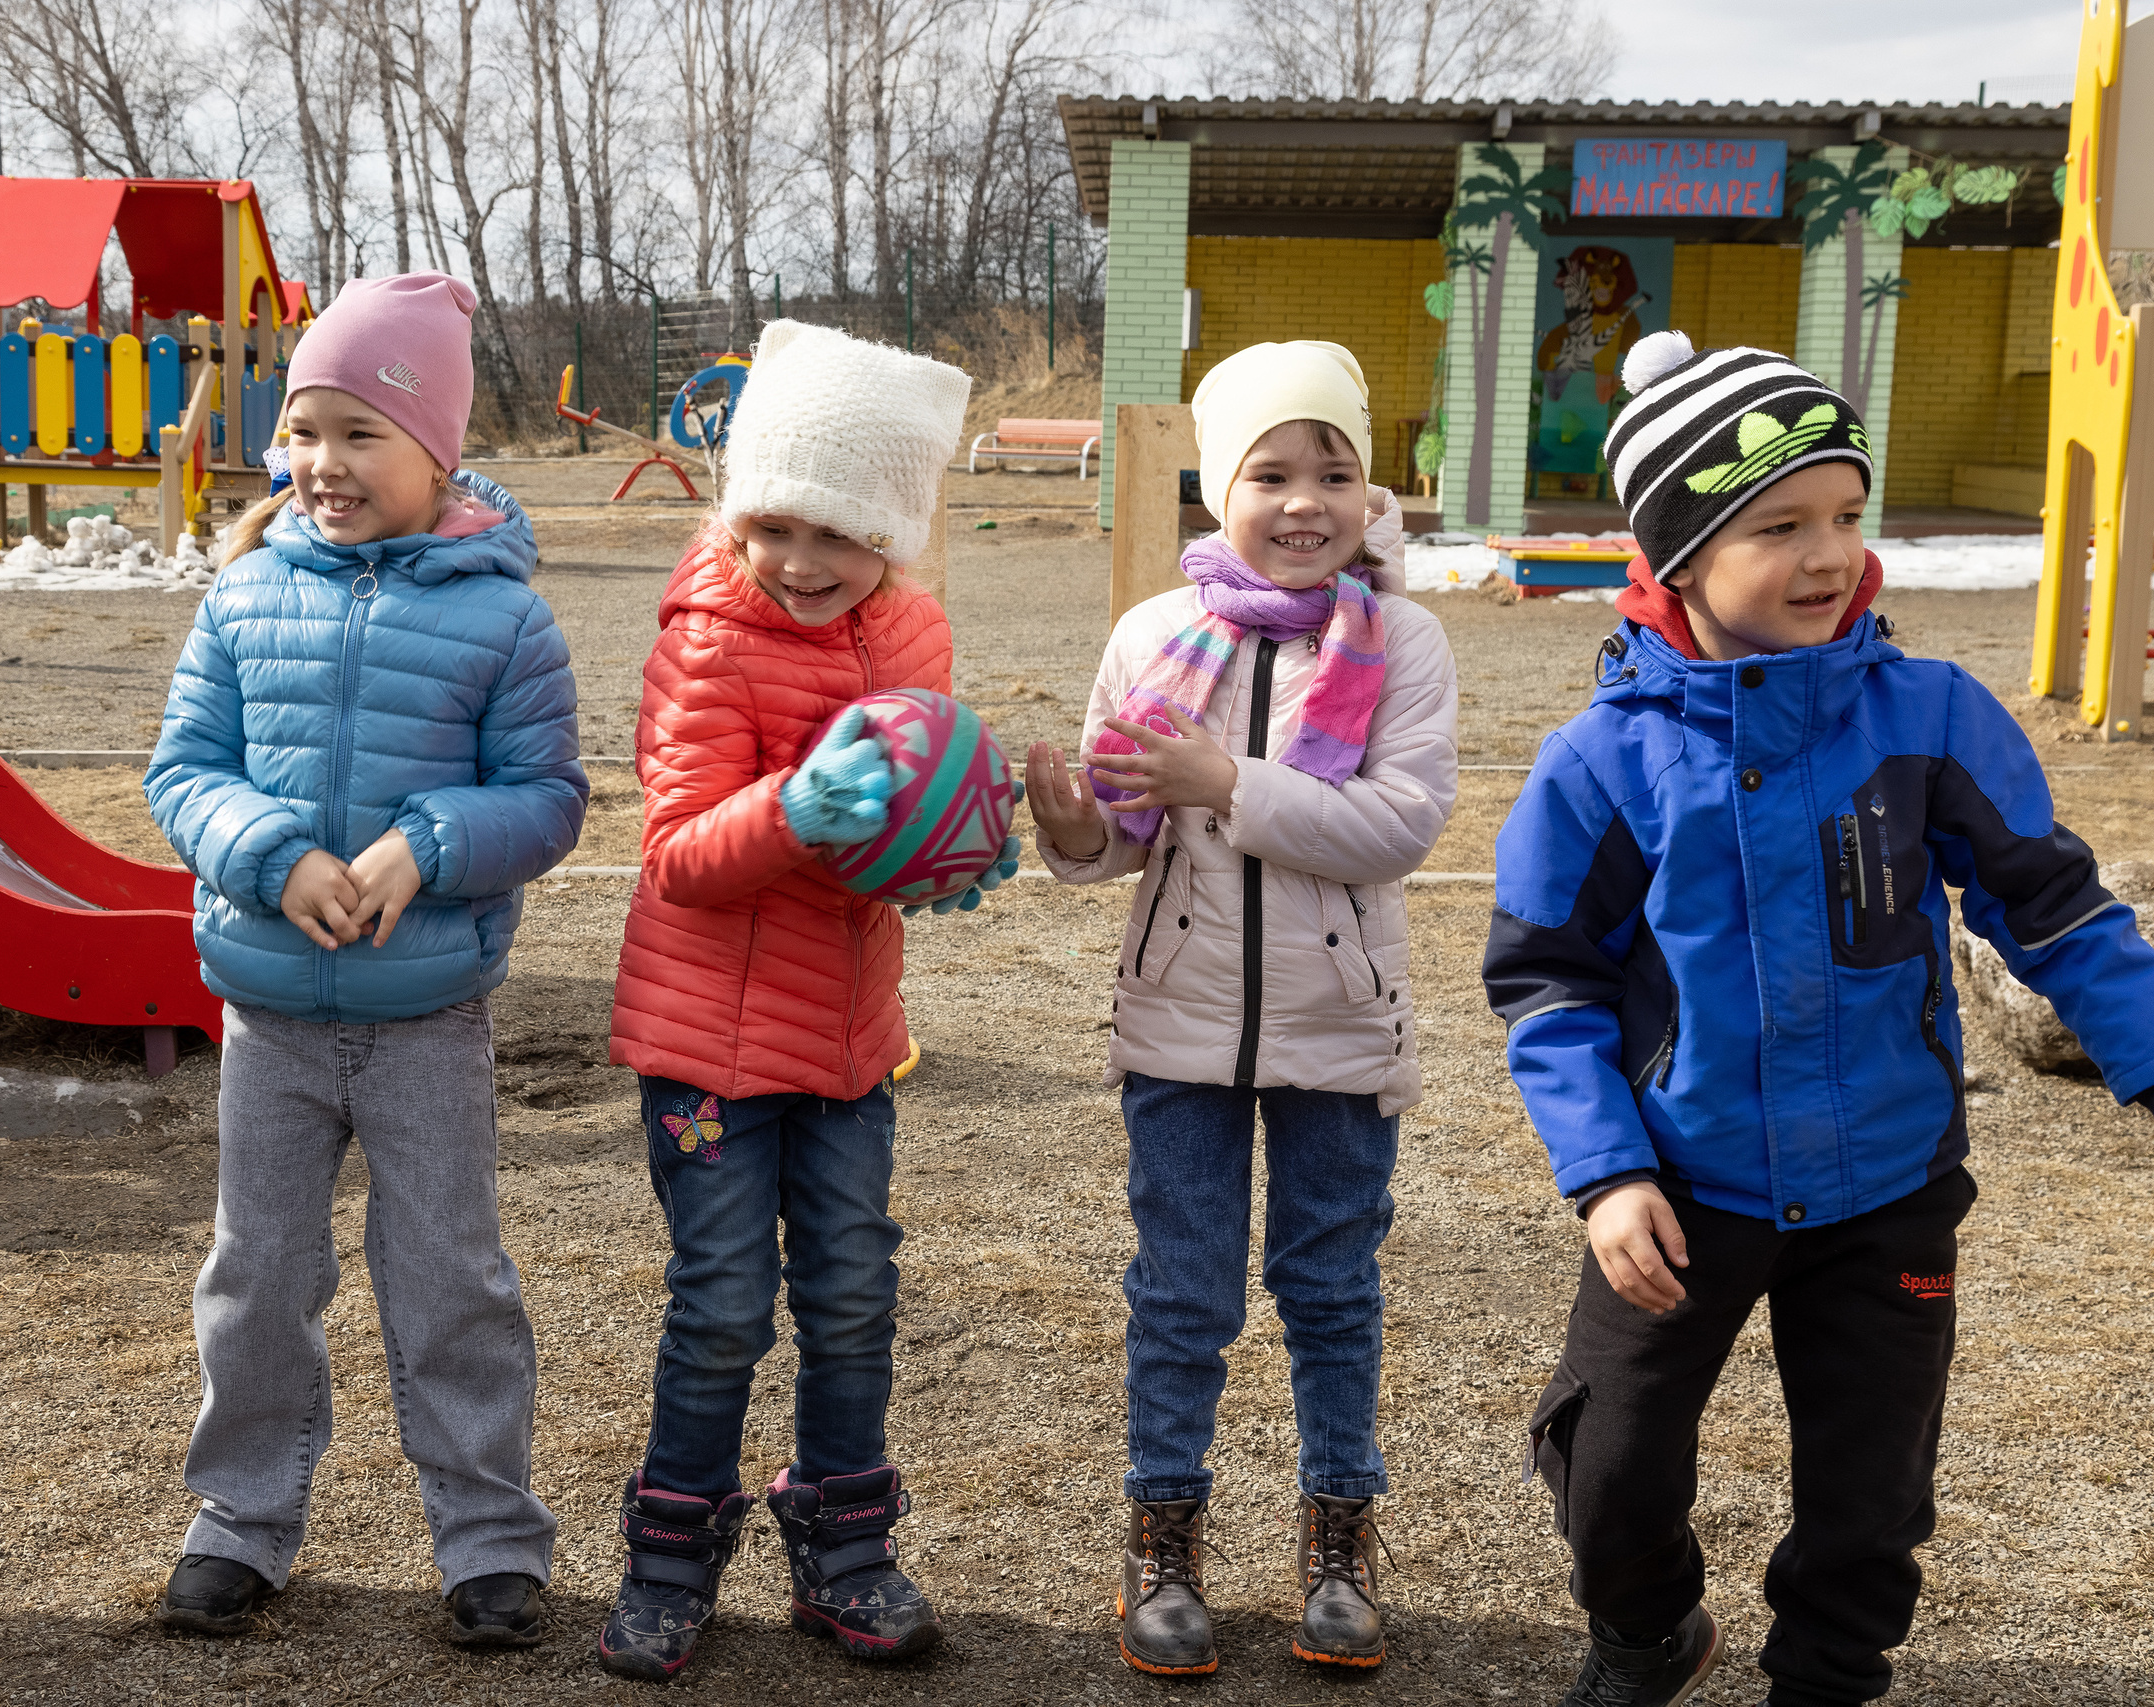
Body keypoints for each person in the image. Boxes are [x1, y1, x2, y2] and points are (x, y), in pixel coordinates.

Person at [1485, 331, 2154, 1707]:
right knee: (1608, 1469)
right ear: (1677, 557)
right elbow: (1547, 984)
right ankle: (1649, 1630)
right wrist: (1607, 1175)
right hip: (1685, 1187)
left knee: (1869, 1501)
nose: (1827, 553)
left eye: (1846, 515)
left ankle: (1827, 1681)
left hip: (1888, 1189)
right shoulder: (1604, 761)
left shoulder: (1931, 715)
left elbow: (2056, 909)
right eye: (1777, 525)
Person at [144, 272, 588, 1646]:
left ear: (435, 451)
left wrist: (429, 846)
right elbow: (183, 772)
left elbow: (551, 797)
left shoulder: (507, 619)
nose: (322, 466)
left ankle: (490, 1541)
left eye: (359, 434)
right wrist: (268, 854)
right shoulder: (241, 597)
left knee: (452, 1279)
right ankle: (241, 1518)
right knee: (257, 1276)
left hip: (428, 1018)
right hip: (268, 1017)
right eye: (304, 431)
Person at [1027, 340, 1460, 1678]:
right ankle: (1163, 1543)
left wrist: (1227, 779)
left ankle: (1340, 1543)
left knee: (1330, 1294)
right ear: (1219, 485)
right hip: (1179, 1029)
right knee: (1180, 1297)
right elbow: (1122, 842)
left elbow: (1398, 827)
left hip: (1340, 1032)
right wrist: (1071, 830)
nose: (1305, 498)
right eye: (1272, 469)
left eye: (1335, 467)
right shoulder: (1152, 638)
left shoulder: (1404, 639)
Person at [600, 319, 1015, 1681]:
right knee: (720, 1300)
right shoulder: (709, 639)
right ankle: (669, 1557)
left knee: (850, 1296)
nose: (799, 561)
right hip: (707, 1049)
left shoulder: (913, 632)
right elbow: (679, 858)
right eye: (773, 522)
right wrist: (795, 807)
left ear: (893, 533)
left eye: (838, 533)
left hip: (848, 1046)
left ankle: (844, 1545)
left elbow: (918, 805)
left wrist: (955, 849)